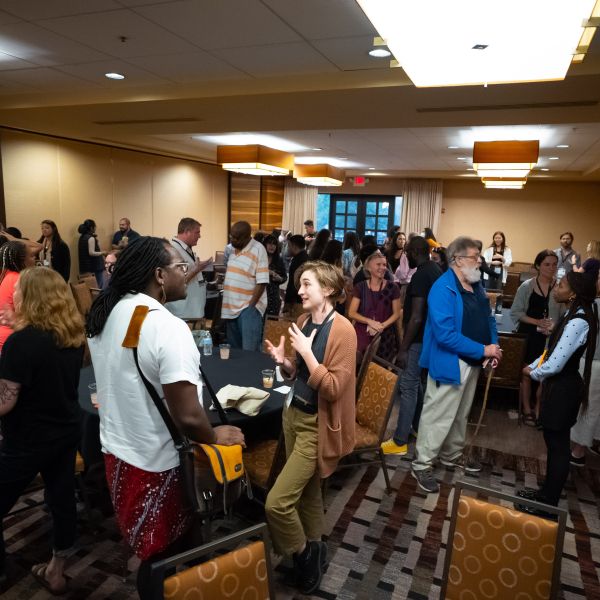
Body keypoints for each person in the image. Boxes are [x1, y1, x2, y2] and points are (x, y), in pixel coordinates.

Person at [86, 237, 245, 599]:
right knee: (161, 560)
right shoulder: (167, 327)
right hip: (156, 465)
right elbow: (189, 416)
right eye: (180, 267)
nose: (186, 274)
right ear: (159, 275)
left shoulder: (111, 311)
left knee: (171, 545)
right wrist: (214, 435)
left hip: (119, 454)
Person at [264, 261, 356, 595]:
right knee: (308, 491)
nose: (299, 291)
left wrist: (307, 352)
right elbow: (300, 375)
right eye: (299, 285)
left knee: (276, 502)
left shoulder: (343, 331)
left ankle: (304, 556)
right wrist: (286, 362)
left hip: (317, 426)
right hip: (293, 415)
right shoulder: (304, 320)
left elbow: (333, 388)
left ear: (328, 290)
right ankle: (316, 548)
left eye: (306, 285)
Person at [0, 267, 85, 595]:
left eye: (19, 290)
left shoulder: (21, 343)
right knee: (62, 501)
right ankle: (56, 571)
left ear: (31, 297)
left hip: (28, 439)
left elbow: (5, 403)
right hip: (65, 432)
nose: (14, 294)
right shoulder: (72, 335)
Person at [411, 237, 502, 493]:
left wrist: (493, 347)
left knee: (461, 414)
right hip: (450, 362)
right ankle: (422, 465)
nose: (480, 261)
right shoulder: (442, 288)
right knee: (438, 415)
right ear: (458, 260)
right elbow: (445, 335)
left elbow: (489, 320)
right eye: (475, 257)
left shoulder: (477, 285)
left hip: (473, 361)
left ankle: (451, 456)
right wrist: (483, 349)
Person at [517, 270, 599, 514]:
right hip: (561, 386)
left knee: (558, 446)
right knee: (554, 444)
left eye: (560, 285)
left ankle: (548, 503)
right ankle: (545, 495)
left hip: (563, 388)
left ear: (572, 293)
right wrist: (532, 365)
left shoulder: (578, 321)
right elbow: (550, 353)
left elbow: (555, 363)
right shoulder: (573, 314)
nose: (556, 287)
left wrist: (530, 374)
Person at [381, 237, 442, 455]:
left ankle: (399, 441)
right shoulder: (436, 270)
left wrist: (403, 348)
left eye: (407, 252)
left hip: (417, 339)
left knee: (407, 386)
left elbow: (416, 317)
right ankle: (415, 428)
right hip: (430, 337)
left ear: (416, 251)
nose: (405, 256)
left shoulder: (420, 276)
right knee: (417, 384)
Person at [511, 250, 562, 426]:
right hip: (530, 335)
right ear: (538, 266)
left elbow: (565, 315)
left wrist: (554, 326)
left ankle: (539, 407)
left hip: (550, 338)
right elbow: (516, 312)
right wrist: (537, 322)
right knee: (527, 373)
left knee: (544, 375)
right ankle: (526, 410)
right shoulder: (526, 286)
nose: (551, 268)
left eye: (555, 264)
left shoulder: (561, 288)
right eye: (547, 264)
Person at [221, 221, 269, 351]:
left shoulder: (259, 249)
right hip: (230, 309)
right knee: (235, 353)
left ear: (247, 236)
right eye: (231, 236)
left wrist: (250, 306)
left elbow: (262, 281)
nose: (233, 240)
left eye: (237, 238)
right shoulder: (231, 249)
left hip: (248, 308)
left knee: (249, 352)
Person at [348, 249, 402, 363]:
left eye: (384, 265)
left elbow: (397, 313)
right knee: (358, 367)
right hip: (362, 334)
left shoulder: (393, 287)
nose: (383, 267)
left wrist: (382, 326)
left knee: (379, 370)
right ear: (368, 267)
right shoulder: (360, 287)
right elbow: (351, 313)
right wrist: (369, 321)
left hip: (385, 334)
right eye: (378, 264)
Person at [570, 265, 600, 466]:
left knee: (588, 405)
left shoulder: (595, 305)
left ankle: (579, 449)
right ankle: (590, 441)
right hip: (593, 360)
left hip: (593, 361)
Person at [165, 218, 213, 322]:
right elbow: (178, 281)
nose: (200, 236)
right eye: (197, 232)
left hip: (192, 312)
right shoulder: (175, 251)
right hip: (183, 314)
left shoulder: (185, 249)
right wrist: (197, 269)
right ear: (187, 232)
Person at [0, 241, 37, 352]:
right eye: (31, 256)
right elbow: (30, 316)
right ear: (22, 260)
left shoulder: (5, 275)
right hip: (12, 340)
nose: (34, 258)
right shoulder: (20, 280)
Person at [283, 235, 309, 317]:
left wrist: (288, 302)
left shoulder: (298, 260)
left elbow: (293, 283)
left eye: (289, 245)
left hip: (297, 301)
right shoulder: (306, 257)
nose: (288, 248)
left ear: (294, 246)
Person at [262, 234, 287, 316]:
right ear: (265, 245)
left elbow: (284, 277)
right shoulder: (259, 258)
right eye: (269, 243)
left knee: (271, 324)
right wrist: (268, 272)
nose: (272, 246)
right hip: (260, 295)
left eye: (274, 244)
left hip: (274, 297)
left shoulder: (279, 260)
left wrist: (280, 279)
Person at [77, 219, 105, 287]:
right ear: (92, 227)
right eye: (95, 226)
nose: (95, 228)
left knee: (89, 288)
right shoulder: (91, 238)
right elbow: (91, 253)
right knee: (98, 286)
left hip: (85, 267)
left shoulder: (82, 237)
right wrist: (103, 253)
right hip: (95, 267)